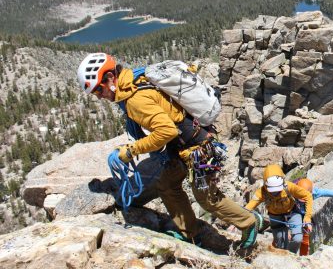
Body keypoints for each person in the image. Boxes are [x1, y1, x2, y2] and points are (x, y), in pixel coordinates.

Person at [77, 52, 260, 248]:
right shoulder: (136, 78)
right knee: (167, 185)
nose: (100, 96)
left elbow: (166, 131)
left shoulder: (134, 99)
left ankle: (249, 222)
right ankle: (190, 232)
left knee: (207, 200)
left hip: (196, 148)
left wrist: (131, 150)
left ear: (110, 78)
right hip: (182, 146)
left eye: (98, 90)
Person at [245, 164, 313, 253]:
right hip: (275, 216)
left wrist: (307, 217)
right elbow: (249, 206)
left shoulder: (288, 186)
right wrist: (240, 217)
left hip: (292, 212)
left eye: (278, 190)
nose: (275, 193)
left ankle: (291, 256)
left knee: (297, 239)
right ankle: (283, 255)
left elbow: (307, 195)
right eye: (273, 191)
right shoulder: (262, 192)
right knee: (280, 242)